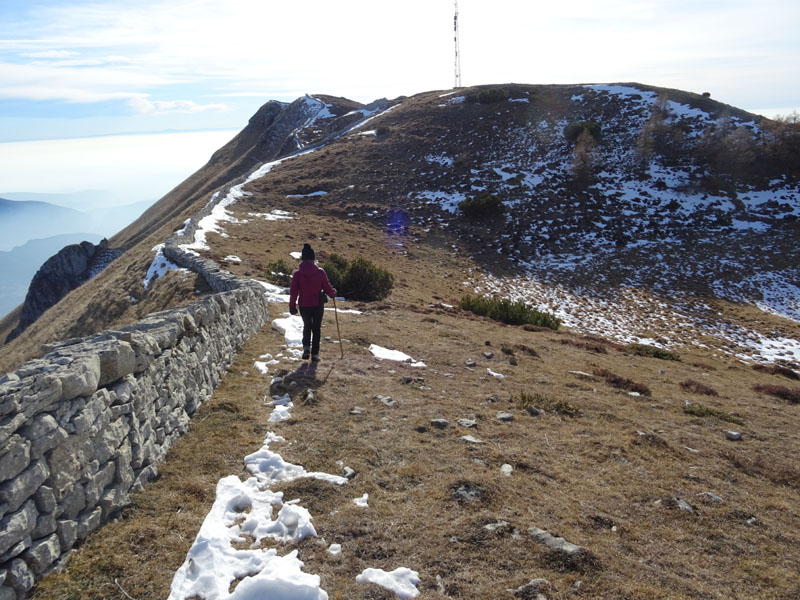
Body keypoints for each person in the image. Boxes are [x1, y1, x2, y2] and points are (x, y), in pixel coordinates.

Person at [289, 243, 337, 361]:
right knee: (316, 328)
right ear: (313, 258)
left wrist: (292, 306)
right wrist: (333, 293)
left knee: (307, 326)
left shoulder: (297, 274)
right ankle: (315, 354)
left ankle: (306, 348)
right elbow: (327, 287)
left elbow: (293, 292)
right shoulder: (320, 272)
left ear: (302, 258)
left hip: (304, 305)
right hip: (317, 304)